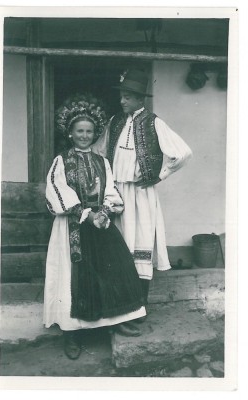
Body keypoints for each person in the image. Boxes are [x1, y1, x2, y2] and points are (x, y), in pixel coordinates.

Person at [43, 94, 146, 360]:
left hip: (100, 225)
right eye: (80, 131)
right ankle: (71, 332)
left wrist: (107, 210)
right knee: (73, 278)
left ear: (94, 133)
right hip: (72, 227)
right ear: (70, 133)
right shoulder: (62, 161)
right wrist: (84, 213)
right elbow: (56, 190)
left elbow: (111, 190)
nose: (84, 136)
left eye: (89, 131)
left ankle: (118, 318)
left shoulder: (103, 162)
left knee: (116, 268)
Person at [92, 69, 192, 319]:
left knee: (142, 243)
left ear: (140, 99)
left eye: (128, 97)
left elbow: (182, 153)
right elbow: (99, 152)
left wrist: (160, 175)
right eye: (122, 96)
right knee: (119, 244)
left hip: (141, 193)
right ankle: (121, 304)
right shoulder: (115, 122)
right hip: (116, 194)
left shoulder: (153, 122)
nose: (122, 100)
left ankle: (139, 305)